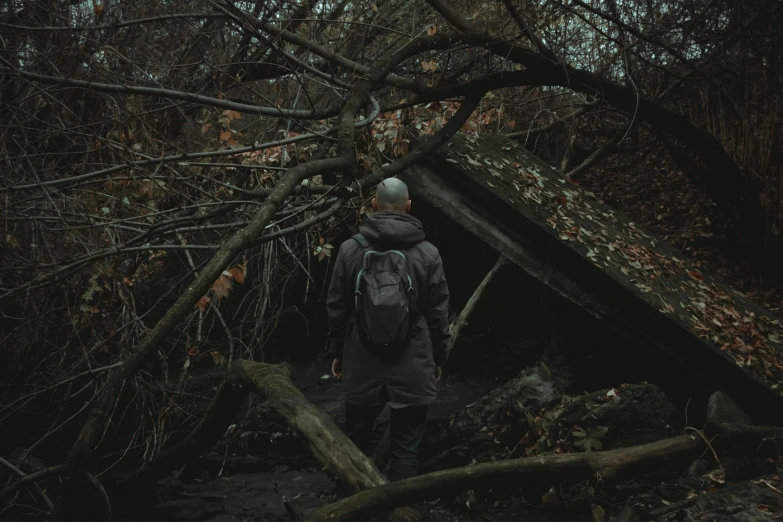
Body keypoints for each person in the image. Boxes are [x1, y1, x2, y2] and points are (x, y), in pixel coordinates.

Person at [326, 177, 450, 481]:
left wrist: (337, 353)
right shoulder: (428, 253)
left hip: (360, 357)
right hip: (414, 360)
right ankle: (401, 509)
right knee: (406, 445)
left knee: (355, 440)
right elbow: (438, 313)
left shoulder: (348, 250)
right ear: (409, 206)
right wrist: (439, 358)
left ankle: (354, 505)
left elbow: (337, 308)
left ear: (373, 206)